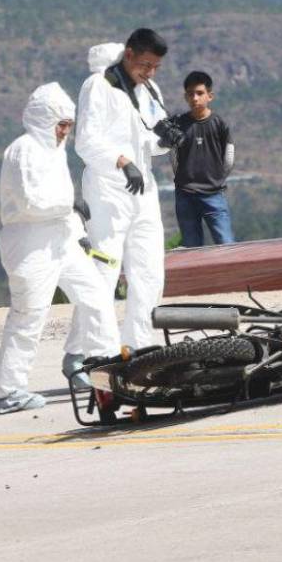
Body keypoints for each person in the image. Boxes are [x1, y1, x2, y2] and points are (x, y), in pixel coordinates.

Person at [0, 82, 121, 414]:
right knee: (28, 316)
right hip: (30, 245)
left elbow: (64, 206)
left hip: (61, 241)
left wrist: (80, 235)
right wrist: (69, 204)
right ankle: (7, 392)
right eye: (60, 125)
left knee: (95, 298)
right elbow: (31, 201)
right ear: (41, 119)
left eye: (68, 126)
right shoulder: (23, 150)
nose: (64, 132)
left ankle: (105, 372)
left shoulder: (54, 151)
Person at [68, 28, 178, 371]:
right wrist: (121, 161)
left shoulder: (150, 90)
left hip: (142, 190)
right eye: (145, 64)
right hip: (107, 191)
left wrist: (166, 139)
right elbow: (85, 142)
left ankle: (140, 348)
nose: (150, 72)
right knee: (104, 271)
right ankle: (86, 354)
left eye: (156, 67)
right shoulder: (98, 86)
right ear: (128, 54)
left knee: (148, 272)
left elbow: (150, 141)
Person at [171, 70, 236, 246]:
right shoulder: (178, 124)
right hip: (185, 196)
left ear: (210, 96)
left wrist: (216, 179)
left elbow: (229, 158)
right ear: (185, 97)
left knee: (226, 245)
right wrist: (184, 180)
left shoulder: (219, 124)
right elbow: (174, 157)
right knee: (192, 249)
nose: (195, 98)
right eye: (190, 94)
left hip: (213, 194)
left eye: (200, 93)